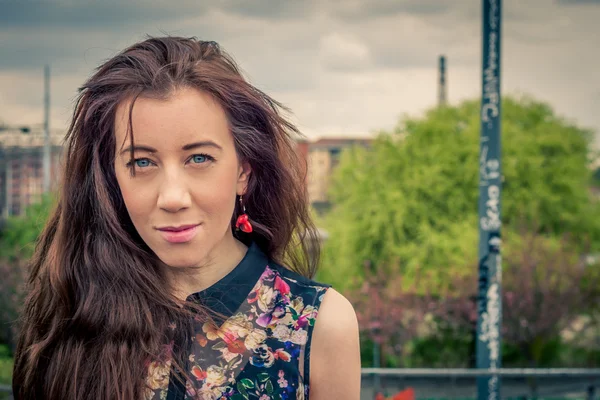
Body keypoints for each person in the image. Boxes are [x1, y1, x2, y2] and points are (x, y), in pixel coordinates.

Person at [12, 36, 361, 400]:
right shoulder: (69, 310)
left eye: (199, 159)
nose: (173, 198)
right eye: (142, 162)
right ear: (111, 178)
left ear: (243, 170)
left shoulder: (320, 324)